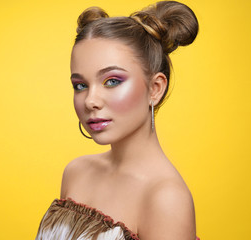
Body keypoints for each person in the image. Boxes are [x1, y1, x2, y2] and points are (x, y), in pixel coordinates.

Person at [36, 1, 199, 239]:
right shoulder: (76, 172)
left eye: (112, 81)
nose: (90, 100)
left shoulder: (166, 198)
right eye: (80, 85)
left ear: (155, 88)